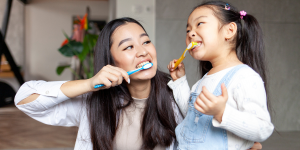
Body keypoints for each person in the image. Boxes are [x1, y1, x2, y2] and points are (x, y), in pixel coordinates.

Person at [15, 17, 183, 150]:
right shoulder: (93, 104)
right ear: (111, 62)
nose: (143, 52)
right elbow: (24, 99)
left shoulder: (176, 95)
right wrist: (89, 84)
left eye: (146, 42)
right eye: (128, 47)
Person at [167, 1, 274, 150]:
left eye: (200, 24)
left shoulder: (245, 77)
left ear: (229, 31)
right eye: (188, 30)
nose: (191, 33)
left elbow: (263, 128)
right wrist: (179, 81)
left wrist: (222, 113)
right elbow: (192, 117)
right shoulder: (204, 79)